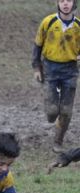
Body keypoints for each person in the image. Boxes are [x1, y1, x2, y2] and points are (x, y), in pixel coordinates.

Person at [32, 0, 80, 153]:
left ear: (74, 4)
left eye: (69, 1)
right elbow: (37, 45)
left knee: (66, 112)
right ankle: (53, 114)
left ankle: (58, 142)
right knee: (52, 113)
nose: (65, 4)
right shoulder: (48, 22)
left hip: (70, 71)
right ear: (57, 3)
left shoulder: (78, 26)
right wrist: (36, 68)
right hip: (50, 69)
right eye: (62, 0)